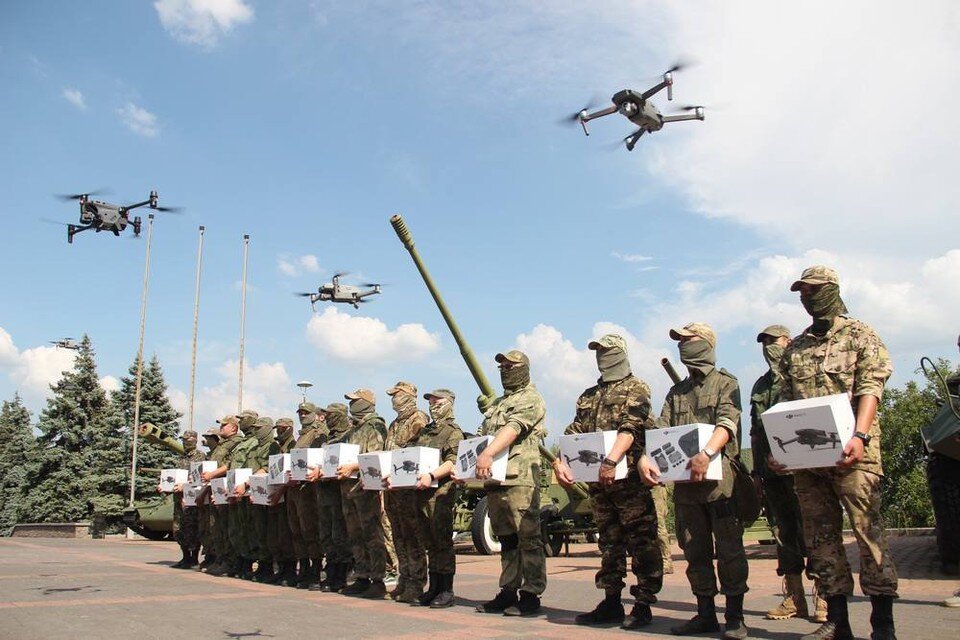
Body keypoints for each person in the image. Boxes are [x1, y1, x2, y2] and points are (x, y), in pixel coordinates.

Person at [773, 266, 898, 640]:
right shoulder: (795, 347)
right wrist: (781, 449)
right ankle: (838, 622)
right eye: (801, 292)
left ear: (832, 290)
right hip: (809, 464)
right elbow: (784, 404)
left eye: (812, 290)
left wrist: (860, 435)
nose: (806, 297)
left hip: (854, 455)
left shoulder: (861, 334)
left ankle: (883, 625)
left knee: (868, 535)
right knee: (821, 539)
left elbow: (871, 386)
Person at [641, 322, 749, 639]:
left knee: (729, 550)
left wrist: (706, 452)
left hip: (720, 484)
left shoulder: (726, 382)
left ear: (705, 343)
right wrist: (645, 458)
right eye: (680, 341)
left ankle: (735, 617)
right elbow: (661, 431)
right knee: (694, 551)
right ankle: (705, 614)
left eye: (688, 340)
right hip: (687, 488)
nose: (682, 345)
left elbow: (727, 422)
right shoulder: (677, 393)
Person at [555, 334, 663, 630]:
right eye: (598, 350)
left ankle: (643, 604)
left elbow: (632, 427)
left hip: (628, 483)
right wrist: (559, 461)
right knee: (609, 543)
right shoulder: (588, 395)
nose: (601, 355)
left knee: (642, 541)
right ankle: (611, 601)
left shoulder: (636, 387)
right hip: (599, 486)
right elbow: (573, 432)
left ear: (621, 353)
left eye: (607, 350)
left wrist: (612, 460)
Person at [750, 324, 826, 623]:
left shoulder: (801, 376)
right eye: (764, 341)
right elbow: (757, 433)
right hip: (772, 474)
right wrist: (756, 473)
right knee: (784, 535)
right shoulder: (761, 386)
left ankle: (824, 597)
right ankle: (794, 598)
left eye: (773, 340)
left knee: (815, 533)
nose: (768, 346)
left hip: (804, 472)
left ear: (789, 342)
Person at [474, 349, 547, 617]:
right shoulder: (499, 404)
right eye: (501, 366)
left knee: (528, 537)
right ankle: (508, 590)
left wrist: (488, 453)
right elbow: (484, 434)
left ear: (524, 368)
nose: (505, 369)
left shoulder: (531, 397)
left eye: (510, 365)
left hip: (520, 476)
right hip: (496, 478)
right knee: (507, 539)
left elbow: (514, 427)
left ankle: (531, 593)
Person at [407, 388, 464, 608]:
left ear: (449, 402)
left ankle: (447, 590)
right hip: (421, 493)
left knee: (442, 541)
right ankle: (434, 587)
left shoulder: (452, 431)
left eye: (437, 399)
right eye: (429, 400)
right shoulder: (425, 431)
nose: (432, 403)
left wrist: (431, 475)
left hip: (440, 494)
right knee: (429, 542)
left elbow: (453, 460)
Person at [338, 389, 390, 599]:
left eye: (356, 401)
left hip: (366, 489)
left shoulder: (374, 426)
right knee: (355, 535)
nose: (352, 405)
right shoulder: (352, 430)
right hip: (349, 490)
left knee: (372, 535)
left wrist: (352, 466)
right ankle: (362, 576)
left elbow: (375, 457)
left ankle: (377, 580)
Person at [383, 381, 429, 603]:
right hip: (393, 489)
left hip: (408, 488)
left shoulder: (418, 419)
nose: (394, 398)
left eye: (397, 394)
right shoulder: (394, 424)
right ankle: (404, 577)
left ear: (409, 395)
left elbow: (416, 453)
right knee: (398, 535)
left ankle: (416, 583)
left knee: (412, 536)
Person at [308, 402, 353, 593]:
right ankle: (332, 568)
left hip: (339, 492)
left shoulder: (349, 436)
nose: (327, 418)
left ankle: (340, 574)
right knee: (326, 534)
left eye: (332, 415)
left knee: (339, 534)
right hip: (324, 491)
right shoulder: (328, 439)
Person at [287, 402, 325, 589]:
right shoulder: (301, 436)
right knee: (297, 530)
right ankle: (304, 567)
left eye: (306, 412)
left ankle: (315, 570)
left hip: (309, 488)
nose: (302, 415)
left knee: (310, 530)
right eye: (300, 412)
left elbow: (319, 459)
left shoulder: (318, 433)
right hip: (295, 488)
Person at [202, 415, 245, 577]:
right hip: (217, 488)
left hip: (227, 488)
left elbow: (230, 465)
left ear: (234, 428)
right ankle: (220, 559)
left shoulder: (236, 443)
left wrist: (213, 474)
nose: (221, 427)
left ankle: (230, 562)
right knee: (217, 527)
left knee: (228, 527)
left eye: (224, 425)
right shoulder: (223, 444)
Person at [161, 428, 205, 570]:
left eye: (189, 440)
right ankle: (185, 557)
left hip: (191, 498)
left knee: (192, 528)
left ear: (195, 440)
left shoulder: (200, 457)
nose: (186, 442)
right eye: (184, 440)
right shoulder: (182, 458)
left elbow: (199, 479)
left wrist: (185, 486)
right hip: (178, 499)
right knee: (178, 529)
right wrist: (165, 487)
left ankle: (193, 558)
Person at [226, 409, 260, 579]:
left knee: (249, 528)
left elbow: (254, 467)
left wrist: (245, 486)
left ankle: (247, 563)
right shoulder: (242, 443)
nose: (241, 422)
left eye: (243, 419)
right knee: (237, 529)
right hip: (237, 490)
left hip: (247, 491)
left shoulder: (255, 442)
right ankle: (239, 560)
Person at [265, 417, 296, 586]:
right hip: (276, 495)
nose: (280, 431)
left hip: (286, 494)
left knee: (286, 535)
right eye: (278, 428)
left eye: (283, 428)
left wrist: (280, 492)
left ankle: (290, 570)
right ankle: (282, 569)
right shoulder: (277, 447)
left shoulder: (294, 446)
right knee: (276, 535)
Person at [197, 427, 221, 570]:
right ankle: (210, 556)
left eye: (210, 437)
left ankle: (217, 557)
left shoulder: (220, 453)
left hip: (216, 492)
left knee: (215, 527)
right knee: (207, 527)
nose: (207, 440)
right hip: (207, 493)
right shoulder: (209, 455)